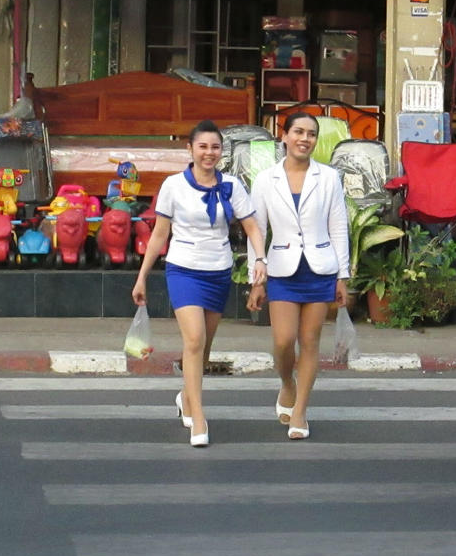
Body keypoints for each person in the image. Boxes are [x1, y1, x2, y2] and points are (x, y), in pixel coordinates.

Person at [132, 120, 268, 447]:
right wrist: (142, 277)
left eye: (215, 147)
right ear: (190, 149)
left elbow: (252, 227)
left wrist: (260, 260)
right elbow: (160, 235)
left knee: (203, 348)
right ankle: (199, 417)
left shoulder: (232, 186)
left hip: (218, 271)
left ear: (222, 151)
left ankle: (185, 396)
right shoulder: (173, 186)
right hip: (183, 269)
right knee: (193, 340)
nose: (209, 153)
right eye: (203, 146)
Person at [246, 112, 349, 440]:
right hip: (281, 269)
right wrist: (257, 278)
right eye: (298, 132)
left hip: (321, 268)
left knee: (309, 342)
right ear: (285, 136)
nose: (305, 139)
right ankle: (287, 383)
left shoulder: (329, 177)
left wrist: (342, 275)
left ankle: (300, 412)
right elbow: (256, 230)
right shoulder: (265, 179)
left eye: (311, 134)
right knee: (282, 340)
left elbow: (338, 225)